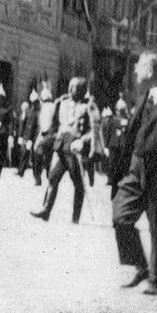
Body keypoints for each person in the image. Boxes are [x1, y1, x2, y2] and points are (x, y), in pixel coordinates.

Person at [111, 50, 157, 294]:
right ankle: (140, 266)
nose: (135, 70)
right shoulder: (144, 97)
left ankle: (155, 279)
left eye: (139, 65)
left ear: (151, 70)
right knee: (120, 215)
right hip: (137, 167)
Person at [32, 77, 90, 223]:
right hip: (62, 147)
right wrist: (49, 138)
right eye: (70, 86)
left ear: (82, 90)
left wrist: (82, 141)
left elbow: (93, 132)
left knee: (77, 183)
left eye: (75, 87)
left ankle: (75, 218)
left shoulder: (88, 108)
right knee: (53, 178)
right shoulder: (62, 103)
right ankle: (46, 210)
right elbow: (54, 124)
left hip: (75, 150)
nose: (70, 90)